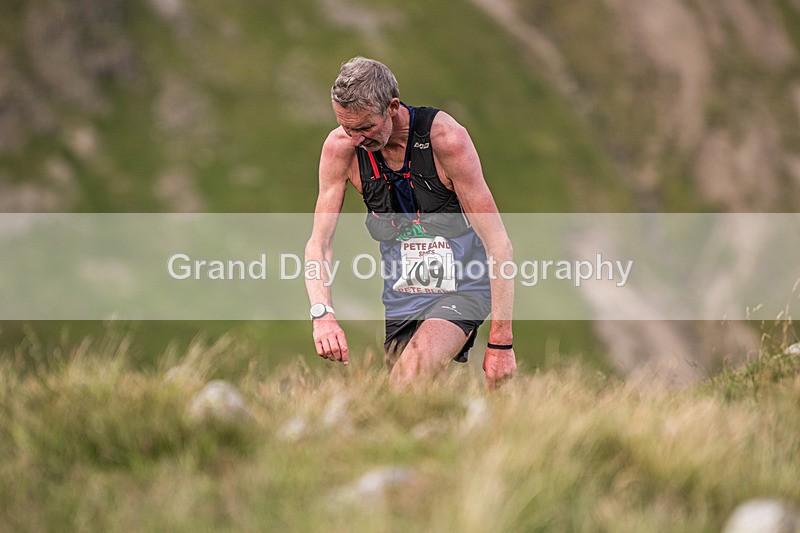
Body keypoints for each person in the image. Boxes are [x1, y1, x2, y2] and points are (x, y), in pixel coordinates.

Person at [304, 56, 516, 389]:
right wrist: (322, 315)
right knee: (407, 403)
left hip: (464, 287)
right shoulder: (341, 149)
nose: (355, 138)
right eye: (347, 127)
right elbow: (320, 243)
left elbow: (498, 244)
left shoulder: (446, 140)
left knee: (407, 378)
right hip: (403, 298)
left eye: (364, 128)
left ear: (392, 106)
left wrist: (502, 342)